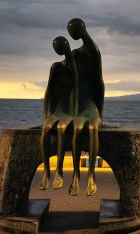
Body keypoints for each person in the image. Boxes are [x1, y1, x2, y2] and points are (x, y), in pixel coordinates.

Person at [67, 18, 105, 196]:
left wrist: (100, 111)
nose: (72, 34)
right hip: (77, 103)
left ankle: (91, 175)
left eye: (74, 30)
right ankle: (76, 175)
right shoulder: (74, 54)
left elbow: (99, 83)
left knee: (93, 127)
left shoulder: (93, 53)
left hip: (89, 103)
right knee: (76, 128)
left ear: (81, 30)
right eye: (70, 31)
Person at [39, 36, 78, 191]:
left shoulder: (74, 69)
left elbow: (75, 91)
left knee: (62, 129)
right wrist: (47, 114)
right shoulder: (55, 67)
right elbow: (48, 91)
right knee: (46, 129)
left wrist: (74, 115)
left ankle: (59, 171)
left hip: (68, 110)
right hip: (57, 109)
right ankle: (46, 171)